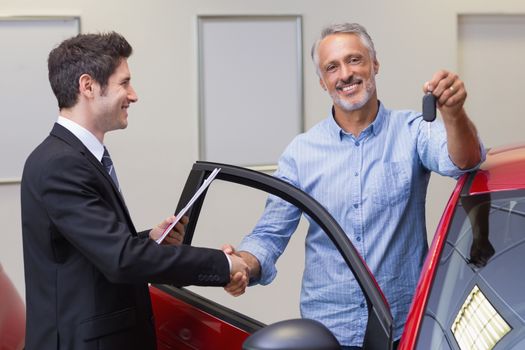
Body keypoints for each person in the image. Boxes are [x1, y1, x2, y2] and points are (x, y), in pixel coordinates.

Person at [223, 23, 485, 349]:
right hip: (327, 334)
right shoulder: (301, 153)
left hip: (402, 328)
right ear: (322, 81)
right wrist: (243, 265)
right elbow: (269, 234)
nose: (345, 74)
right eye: (332, 67)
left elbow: (465, 162)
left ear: (374, 64)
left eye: (355, 60)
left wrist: (454, 114)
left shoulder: (413, 131)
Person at [20, 32, 249, 350]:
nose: (134, 94)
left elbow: (92, 250)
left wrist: (149, 240)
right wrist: (224, 266)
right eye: (124, 83)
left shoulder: (72, 157)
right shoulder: (61, 164)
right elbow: (121, 260)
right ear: (88, 86)